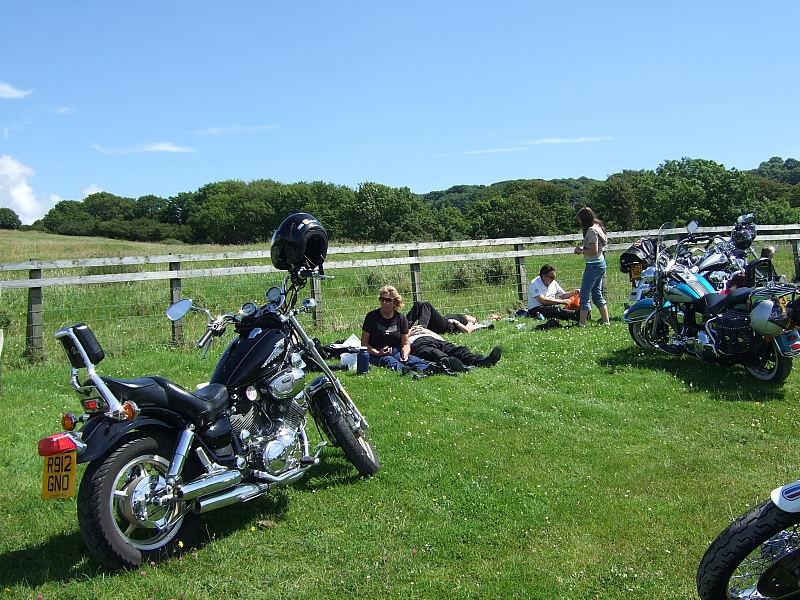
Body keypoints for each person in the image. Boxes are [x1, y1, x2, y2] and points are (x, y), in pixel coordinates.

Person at [361, 285, 428, 374]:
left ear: (395, 302)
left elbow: (405, 343)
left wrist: (405, 355)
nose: (384, 302)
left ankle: (431, 369)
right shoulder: (371, 317)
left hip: (396, 351)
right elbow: (364, 343)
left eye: (388, 300)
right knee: (389, 360)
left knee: (414, 360)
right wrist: (377, 353)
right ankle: (408, 372)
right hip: (375, 353)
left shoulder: (401, 318)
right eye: (382, 299)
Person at [574, 207, 610, 326]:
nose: (580, 223)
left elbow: (594, 250)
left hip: (593, 265)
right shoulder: (598, 227)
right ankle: (606, 321)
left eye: (580, 220)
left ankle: (582, 323)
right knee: (596, 294)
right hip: (600, 263)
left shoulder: (591, 231)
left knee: (584, 294)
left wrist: (581, 251)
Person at [408, 325, 502, 370]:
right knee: (434, 352)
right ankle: (450, 362)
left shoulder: (426, 331)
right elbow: (400, 342)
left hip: (436, 340)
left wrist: (427, 331)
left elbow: (441, 338)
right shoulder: (405, 333)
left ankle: (484, 361)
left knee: (460, 350)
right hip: (418, 344)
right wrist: (409, 332)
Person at [406, 301, 478, 334]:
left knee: (426, 305)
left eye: (472, 317)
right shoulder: (461, 317)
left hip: (447, 326)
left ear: (475, 321)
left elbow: (468, 331)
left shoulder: (470, 323)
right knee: (418, 304)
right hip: (442, 322)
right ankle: (404, 327)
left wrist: (456, 322)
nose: (469, 315)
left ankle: (421, 329)